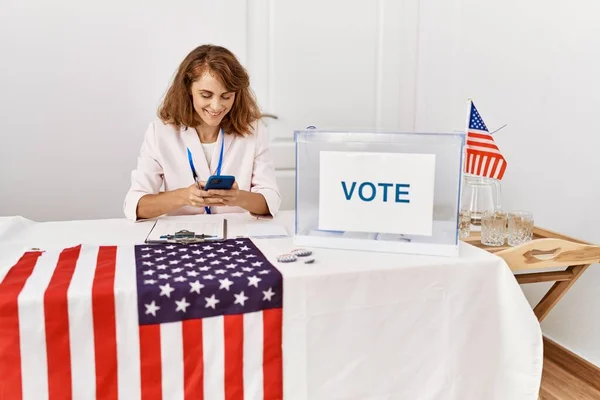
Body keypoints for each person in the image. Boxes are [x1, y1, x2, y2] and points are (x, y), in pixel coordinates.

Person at [123, 44, 281, 221]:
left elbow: (270, 200)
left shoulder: (254, 129)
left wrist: (238, 198)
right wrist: (183, 196)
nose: (216, 106)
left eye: (226, 96)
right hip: (183, 238)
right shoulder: (160, 132)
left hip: (237, 236)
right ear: (188, 90)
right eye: (206, 95)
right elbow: (135, 205)